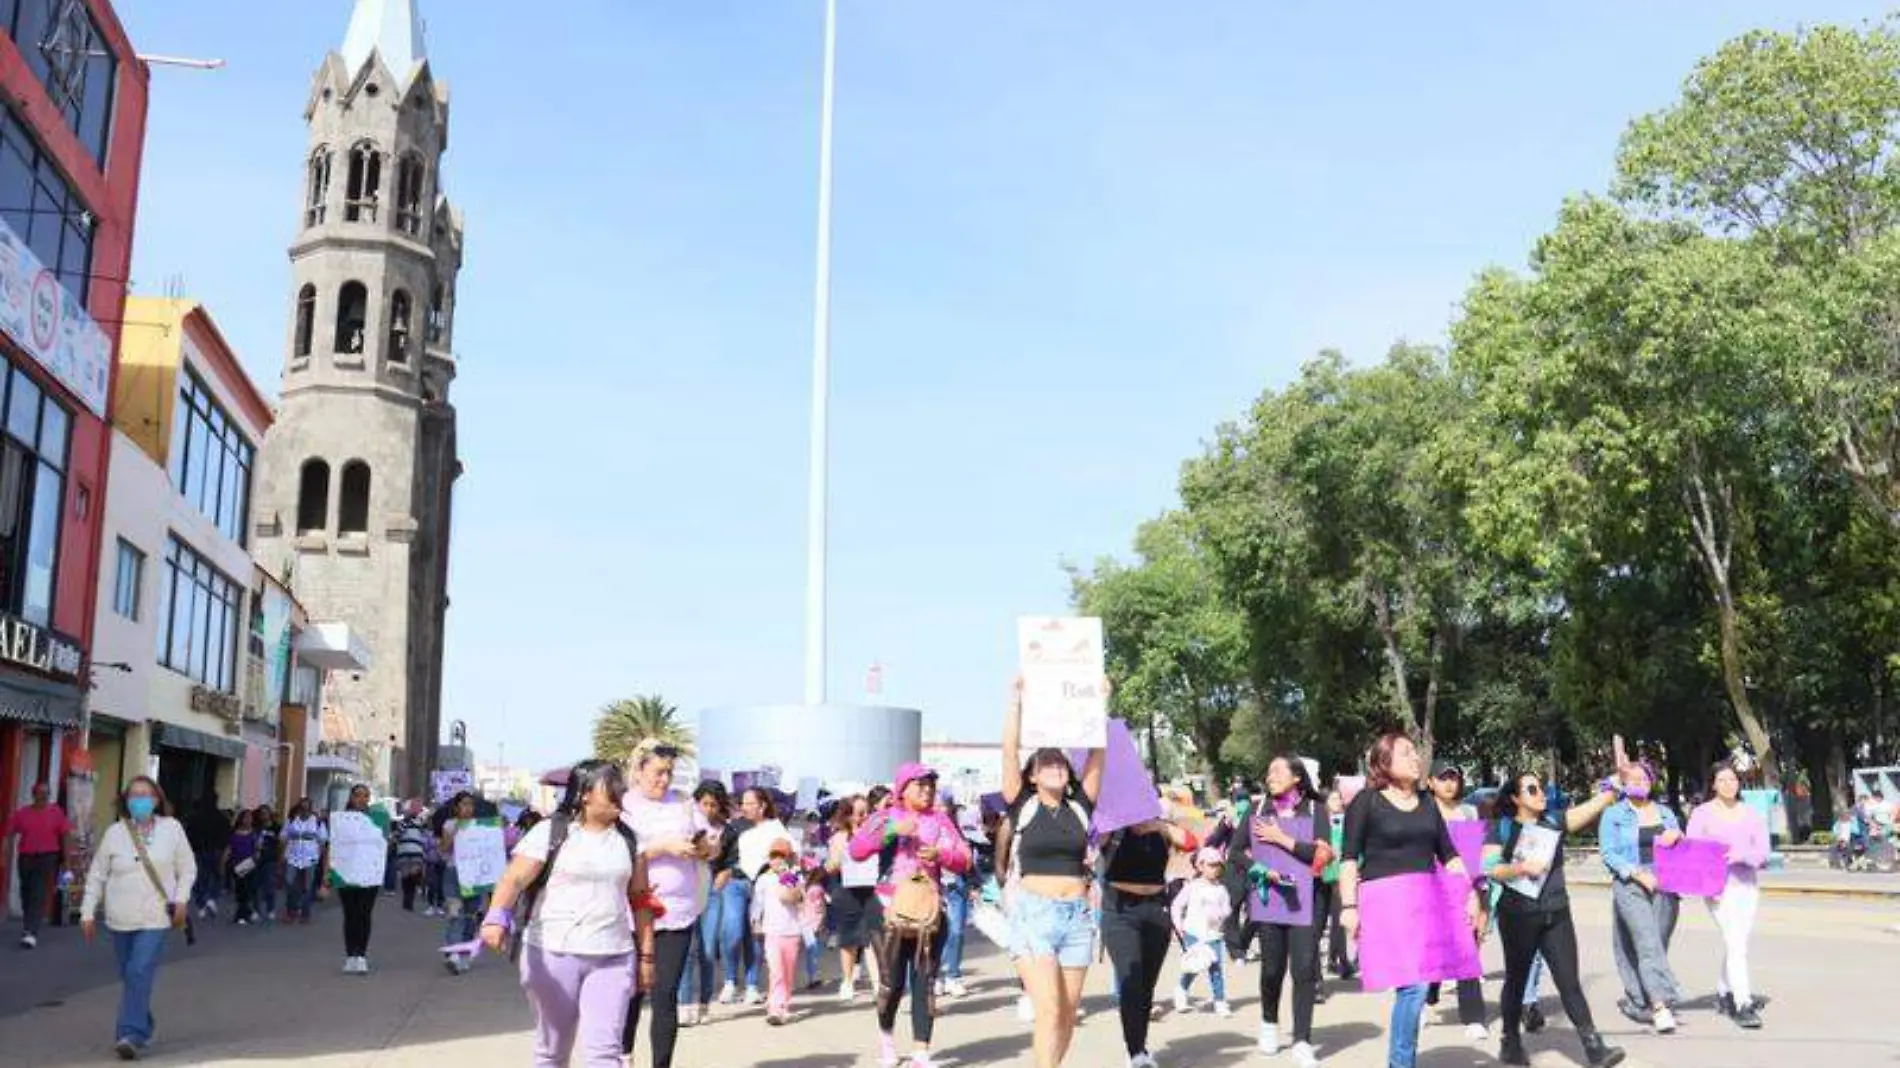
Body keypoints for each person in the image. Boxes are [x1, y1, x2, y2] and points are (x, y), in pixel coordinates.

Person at [481, 759, 652, 1068]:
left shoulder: (629, 840)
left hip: (613, 956)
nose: (619, 790)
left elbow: (641, 901)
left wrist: (647, 957)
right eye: (609, 784)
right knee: (552, 1052)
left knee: (605, 1053)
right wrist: (496, 917)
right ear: (585, 793)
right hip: (552, 954)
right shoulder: (551, 832)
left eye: (620, 784)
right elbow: (513, 879)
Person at [1338, 734, 1479, 1068]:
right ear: (1384, 762)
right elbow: (1348, 858)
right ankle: (1401, 1064)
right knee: (1413, 987)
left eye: (1416, 752)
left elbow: (1449, 855)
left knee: (1421, 983)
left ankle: (1400, 1061)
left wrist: (1470, 893)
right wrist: (1348, 907)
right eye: (1406, 753)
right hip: (1385, 905)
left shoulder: (1428, 803)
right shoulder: (1367, 802)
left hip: (1424, 904)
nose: (1416, 758)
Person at [998, 675, 1107, 1068]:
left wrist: (1099, 705)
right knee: (1048, 1011)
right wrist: (1017, 701)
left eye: (1060, 762)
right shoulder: (1021, 804)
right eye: (1045, 762)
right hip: (1035, 915)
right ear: (1031, 776)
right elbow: (1009, 750)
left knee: (1067, 1015)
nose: (1055, 766)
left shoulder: (1081, 806)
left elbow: (1097, 754)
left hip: (1077, 917)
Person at [1484, 769, 1624, 1067]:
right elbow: (1490, 868)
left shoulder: (1553, 821)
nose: (1541, 794)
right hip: (1518, 916)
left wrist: (1611, 791)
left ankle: (1593, 1046)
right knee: (1517, 980)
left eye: (1541, 788)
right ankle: (1510, 1042)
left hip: (1557, 913)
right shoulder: (1503, 827)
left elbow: (1586, 810)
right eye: (1532, 790)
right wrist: (1519, 869)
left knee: (1569, 982)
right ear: (1515, 798)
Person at [849, 762, 973, 1068]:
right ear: (902, 789)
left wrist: (941, 854)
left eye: (931, 785)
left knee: (924, 982)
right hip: (888, 914)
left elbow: (965, 858)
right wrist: (892, 831)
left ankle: (921, 1052)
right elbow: (856, 850)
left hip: (929, 913)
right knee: (891, 984)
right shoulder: (885, 816)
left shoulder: (941, 821)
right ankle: (887, 1041)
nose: (927, 790)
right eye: (920, 785)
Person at [80, 777, 195, 1062]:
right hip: (120, 918)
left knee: (139, 970)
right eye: (134, 795)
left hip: (155, 917)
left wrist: (181, 899)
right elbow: (97, 874)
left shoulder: (172, 829)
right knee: (130, 975)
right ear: (126, 801)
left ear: (157, 800)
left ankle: (130, 1034)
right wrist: (86, 911)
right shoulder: (115, 833)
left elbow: (188, 868)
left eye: (146, 795)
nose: (139, 800)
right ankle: (144, 1023)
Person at [619, 740, 712, 1067]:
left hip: (677, 914)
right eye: (658, 772)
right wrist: (661, 848)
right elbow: (619, 854)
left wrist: (703, 848)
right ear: (640, 769)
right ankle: (623, 1056)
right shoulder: (623, 805)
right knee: (629, 993)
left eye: (669, 773)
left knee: (665, 994)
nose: (664, 780)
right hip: (632, 914)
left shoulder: (685, 805)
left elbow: (710, 847)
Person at [1249, 756, 1332, 1066]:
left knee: (1304, 968)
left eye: (1277, 771)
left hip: (1308, 899)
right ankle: (1269, 1022)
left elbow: (1322, 854)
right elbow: (1236, 853)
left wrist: (1280, 838)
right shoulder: (1259, 809)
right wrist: (1258, 867)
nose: (1270, 776)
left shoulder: (1315, 810)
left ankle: (1302, 1040)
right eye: (1268, 770)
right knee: (1271, 969)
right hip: (1270, 898)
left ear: (1297, 777)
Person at [1598, 760, 1685, 1034]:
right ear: (1624, 784)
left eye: (1644, 779)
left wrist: (1678, 837)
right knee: (1647, 941)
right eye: (1632, 779)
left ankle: (1638, 999)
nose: (1639, 783)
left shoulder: (1666, 813)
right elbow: (1609, 853)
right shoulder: (1613, 814)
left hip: (1665, 883)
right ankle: (1661, 1005)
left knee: (1655, 943)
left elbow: (1682, 848)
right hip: (1631, 884)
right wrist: (1636, 874)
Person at [1685, 761, 1769, 1029]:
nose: (1728, 784)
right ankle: (1743, 1003)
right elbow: (1693, 851)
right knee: (1736, 944)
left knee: (1737, 942)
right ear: (1713, 784)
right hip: (1718, 889)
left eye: (1732, 779)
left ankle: (1723, 991)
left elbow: (1763, 852)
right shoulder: (1701, 814)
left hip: (1747, 886)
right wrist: (1709, 881)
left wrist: (1741, 856)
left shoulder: (1751, 813)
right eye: (1722, 780)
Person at [1424, 761, 1489, 1043]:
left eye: (1454, 778)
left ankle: (1474, 1017)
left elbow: (1473, 859)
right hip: (1429, 890)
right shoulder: (1422, 812)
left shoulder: (1468, 812)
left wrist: (1480, 895)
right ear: (1430, 782)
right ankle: (1425, 1001)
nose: (1450, 783)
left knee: (1466, 950)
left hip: (1463, 891)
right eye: (1443, 778)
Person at [725, 787, 787, 1005]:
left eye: (750, 803)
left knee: (755, 936)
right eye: (743, 803)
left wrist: (784, 877)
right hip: (736, 883)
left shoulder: (775, 828)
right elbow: (722, 853)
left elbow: (787, 855)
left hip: (762, 886)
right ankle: (730, 980)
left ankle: (752, 985)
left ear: (762, 806)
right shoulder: (734, 826)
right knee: (732, 932)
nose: (745, 807)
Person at [681, 780, 732, 1022]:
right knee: (687, 950)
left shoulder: (726, 830)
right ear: (697, 802)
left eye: (714, 805)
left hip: (710, 891)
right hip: (687, 890)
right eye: (705, 803)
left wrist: (719, 880)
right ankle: (684, 1004)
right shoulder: (685, 822)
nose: (709, 809)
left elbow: (727, 861)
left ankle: (704, 1003)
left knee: (708, 950)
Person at [3, 780, 70, 949]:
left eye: (46, 793)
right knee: (26, 892)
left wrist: (67, 861)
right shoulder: (22, 814)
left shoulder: (56, 813)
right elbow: (9, 833)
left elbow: (65, 836)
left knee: (38, 893)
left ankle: (31, 932)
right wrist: (6, 855)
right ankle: (28, 924)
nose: (43, 796)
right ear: (34, 794)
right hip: (26, 857)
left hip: (47, 857)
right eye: (40, 793)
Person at [828, 793, 882, 1000]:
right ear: (848, 815)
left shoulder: (876, 834)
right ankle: (848, 981)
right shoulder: (839, 837)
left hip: (871, 891)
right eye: (859, 813)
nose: (864, 817)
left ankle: (878, 982)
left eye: (867, 812)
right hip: (847, 891)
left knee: (873, 938)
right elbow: (831, 867)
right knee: (848, 939)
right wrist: (836, 859)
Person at [1171, 847, 1233, 1015]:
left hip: (1214, 935)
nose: (1215, 869)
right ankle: (1181, 991)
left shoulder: (1221, 889)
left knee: (1215, 968)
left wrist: (1219, 915)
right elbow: (1177, 905)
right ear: (1200, 866)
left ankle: (1220, 1001)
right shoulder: (1192, 887)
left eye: (1218, 865)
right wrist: (1179, 925)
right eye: (1211, 865)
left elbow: (1227, 910)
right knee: (1195, 966)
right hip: (1194, 933)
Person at [756, 838, 807, 1024]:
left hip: (792, 931)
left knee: (787, 971)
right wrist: (755, 920)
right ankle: (775, 1008)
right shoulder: (764, 879)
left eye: (781, 856)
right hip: (772, 931)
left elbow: (792, 897)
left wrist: (786, 876)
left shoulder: (795, 877)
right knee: (776, 970)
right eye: (773, 856)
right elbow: (757, 903)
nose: (777, 860)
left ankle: (783, 1004)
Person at [439, 792, 489, 975]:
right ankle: (453, 954)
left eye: (470, 804)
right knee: (455, 913)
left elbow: (489, 853)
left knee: (469, 917)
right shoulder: (450, 825)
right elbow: (443, 850)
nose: (468, 808)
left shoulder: (482, 827)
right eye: (464, 804)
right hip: (454, 873)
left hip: (474, 876)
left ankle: (464, 953)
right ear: (456, 807)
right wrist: (456, 834)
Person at [337, 784, 383, 975]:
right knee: (350, 914)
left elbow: (382, 845)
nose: (362, 799)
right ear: (351, 797)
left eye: (366, 796)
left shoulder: (376, 820)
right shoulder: (340, 820)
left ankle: (361, 955)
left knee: (364, 913)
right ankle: (350, 956)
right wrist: (327, 876)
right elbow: (333, 847)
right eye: (358, 796)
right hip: (346, 872)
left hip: (369, 873)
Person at [281, 798, 328, 924]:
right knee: (290, 884)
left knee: (307, 887)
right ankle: (291, 910)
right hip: (292, 857)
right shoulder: (291, 820)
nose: (305, 810)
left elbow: (323, 841)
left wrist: (323, 861)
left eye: (307, 808)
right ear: (299, 808)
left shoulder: (317, 822)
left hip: (310, 858)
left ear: (311, 809)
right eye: (302, 808)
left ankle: (305, 913)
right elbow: (283, 837)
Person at [185, 796, 230, 920]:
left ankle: (201, 905)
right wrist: (224, 849)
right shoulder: (221, 817)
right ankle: (212, 898)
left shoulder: (195, 818)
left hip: (199, 851)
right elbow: (227, 835)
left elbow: (188, 835)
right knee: (217, 877)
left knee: (199, 879)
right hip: (217, 851)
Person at [225, 808, 263, 926]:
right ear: (241, 819)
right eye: (246, 817)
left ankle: (242, 915)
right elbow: (229, 849)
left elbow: (257, 848)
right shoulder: (234, 833)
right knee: (241, 890)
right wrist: (223, 863)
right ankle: (246, 913)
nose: (248, 820)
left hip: (250, 863)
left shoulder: (254, 833)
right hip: (237, 864)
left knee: (248, 890)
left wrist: (256, 858)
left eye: (250, 818)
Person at [253, 806, 282, 925]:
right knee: (255, 886)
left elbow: (280, 843)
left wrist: (280, 860)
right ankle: (256, 910)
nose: (264, 815)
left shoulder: (276, 827)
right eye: (262, 813)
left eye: (266, 813)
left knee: (269, 884)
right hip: (255, 859)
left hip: (270, 859)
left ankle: (270, 909)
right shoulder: (256, 827)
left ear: (270, 814)